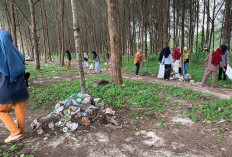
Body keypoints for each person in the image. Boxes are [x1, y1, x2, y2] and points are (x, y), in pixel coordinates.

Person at [0, 30, 29, 143]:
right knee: (20, 112)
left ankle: (14, 132)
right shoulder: (18, 55)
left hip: (6, 90)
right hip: (21, 89)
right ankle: (20, 133)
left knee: (1, 111)